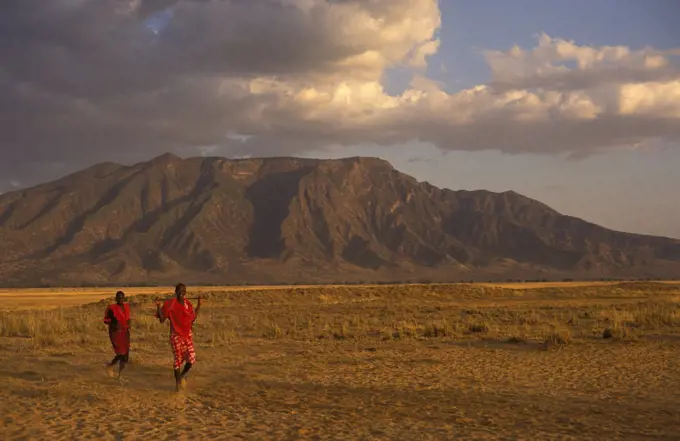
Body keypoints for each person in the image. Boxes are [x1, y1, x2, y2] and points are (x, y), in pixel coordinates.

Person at [156, 283, 201, 391]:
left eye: (184, 291)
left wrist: (199, 305)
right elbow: (162, 320)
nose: (182, 293)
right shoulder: (170, 304)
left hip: (187, 335)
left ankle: (181, 376)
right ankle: (177, 385)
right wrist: (158, 307)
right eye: (180, 291)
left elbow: (193, 318)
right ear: (176, 292)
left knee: (191, 358)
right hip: (176, 336)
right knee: (178, 360)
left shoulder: (187, 304)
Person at [103, 291, 131, 380]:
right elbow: (106, 320)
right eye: (118, 298)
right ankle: (110, 365)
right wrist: (114, 323)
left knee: (125, 356)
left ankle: (120, 375)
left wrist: (129, 326)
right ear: (116, 298)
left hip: (125, 332)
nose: (120, 299)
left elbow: (128, 319)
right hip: (115, 333)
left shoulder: (126, 307)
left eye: (122, 298)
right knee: (121, 352)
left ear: (124, 298)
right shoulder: (111, 308)